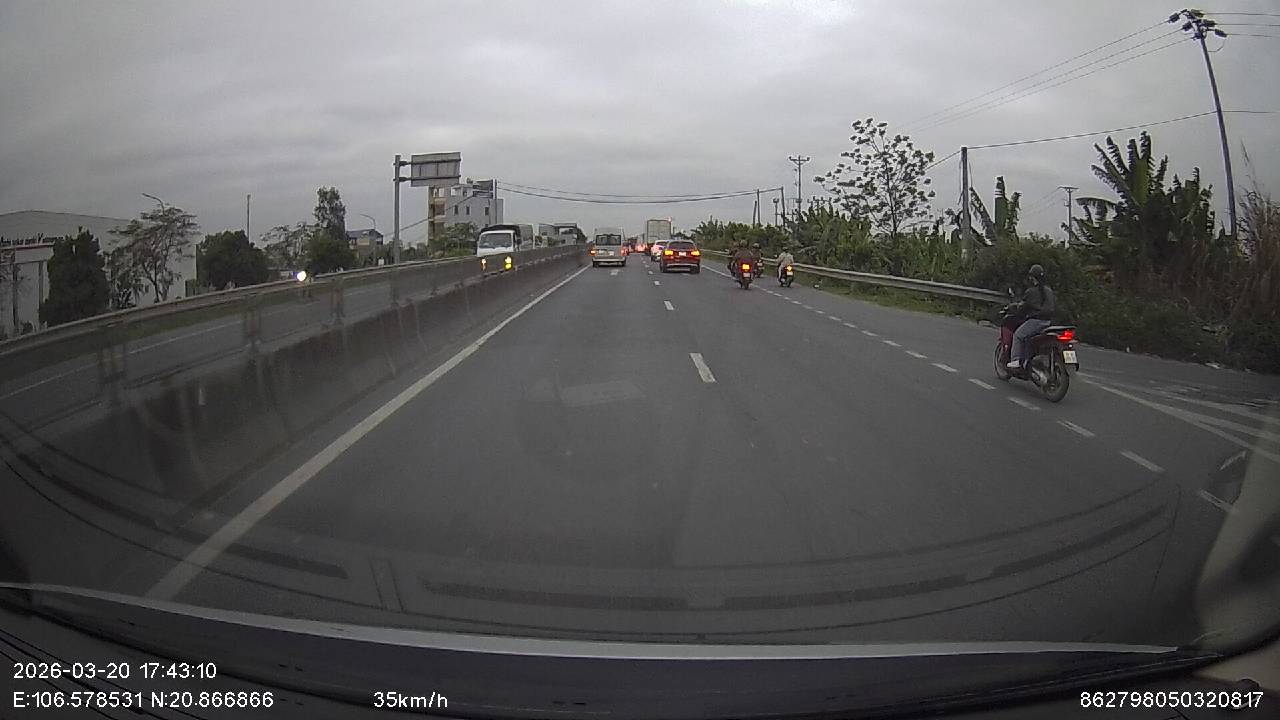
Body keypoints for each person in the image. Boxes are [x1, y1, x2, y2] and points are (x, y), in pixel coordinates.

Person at [1007, 264, 1056, 371]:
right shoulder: (1049, 290)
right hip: (1048, 322)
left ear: (1032, 277)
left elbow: (1022, 307)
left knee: (1018, 335)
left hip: (1035, 321)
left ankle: (1016, 361)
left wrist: (1014, 307)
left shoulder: (1031, 291)